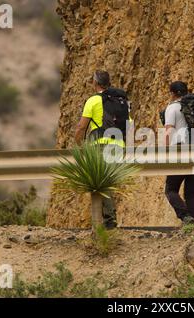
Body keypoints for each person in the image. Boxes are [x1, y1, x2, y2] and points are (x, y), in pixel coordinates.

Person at [75, 70, 131, 228]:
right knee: (108, 183)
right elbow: (129, 123)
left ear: (95, 83)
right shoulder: (121, 102)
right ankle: (106, 220)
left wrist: (80, 146)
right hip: (119, 144)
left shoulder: (93, 100)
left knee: (99, 182)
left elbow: (81, 127)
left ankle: (108, 222)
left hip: (100, 144)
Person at [164, 81, 194, 225]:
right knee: (190, 192)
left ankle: (185, 217)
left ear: (172, 93)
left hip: (180, 150)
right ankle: (193, 226)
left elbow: (169, 130)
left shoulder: (172, 108)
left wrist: (166, 152)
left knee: (171, 189)